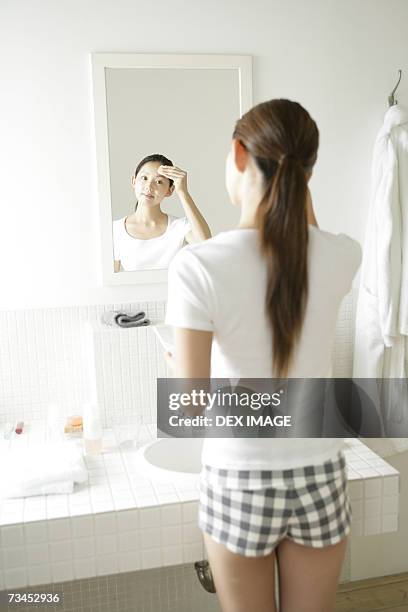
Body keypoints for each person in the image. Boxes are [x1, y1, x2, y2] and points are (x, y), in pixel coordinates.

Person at [164, 99, 362, 611]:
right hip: (319, 471)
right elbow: (307, 234)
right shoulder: (344, 255)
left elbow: (189, 409)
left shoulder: (198, 267)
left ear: (237, 154)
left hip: (239, 475)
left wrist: (178, 370)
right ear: (309, 172)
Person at [113, 154, 211, 271]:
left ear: (170, 190)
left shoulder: (179, 227)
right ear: (134, 181)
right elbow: (109, 282)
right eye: (144, 178)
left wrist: (183, 191)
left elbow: (205, 245)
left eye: (159, 182)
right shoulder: (115, 230)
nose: (149, 186)